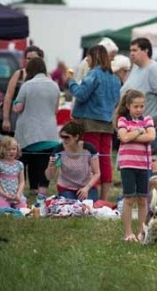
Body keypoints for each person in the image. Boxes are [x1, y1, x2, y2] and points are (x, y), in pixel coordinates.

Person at [66, 45, 121, 201]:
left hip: (90, 123)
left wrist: (71, 82)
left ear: (94, 57)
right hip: (107, 123)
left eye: (88, 56)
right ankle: (103, 199)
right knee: (104, 159)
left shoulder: (94, 74)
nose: (86, 59)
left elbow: (80, 95)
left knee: (91, 160)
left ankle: (91, 197)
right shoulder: (115, 78)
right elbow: (117, 101)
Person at [13, 57, 60, 196]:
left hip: (29, 132)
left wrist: (15, 103)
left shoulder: (27, 85)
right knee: (44, 163)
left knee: (22, 161)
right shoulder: (54, 85)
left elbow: (18, 107)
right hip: (49, 132)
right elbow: (56, 110)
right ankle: (41, 191)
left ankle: (19, 191)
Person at [114, 89, 156, 243]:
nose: (139, 110)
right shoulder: (122, 120)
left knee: (142, 200)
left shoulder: (148, 120)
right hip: (128, 165)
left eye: (141, 106)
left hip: (144, 165)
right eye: (135, 106)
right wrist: (139, 130)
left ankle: (141, 232)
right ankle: (128, 233)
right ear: (128, 106)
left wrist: (131, 135)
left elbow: (151, 136)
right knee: (129, 199)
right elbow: (123, 138)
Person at [120, 37, 157, 150]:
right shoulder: (136, 68)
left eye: (135, 50)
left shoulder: (154, 69)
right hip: (134, 127)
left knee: (153, 164)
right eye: (130, 51)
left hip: (152, 128)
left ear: (146, 51)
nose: (131, 54)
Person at [45, 121, 100, 201]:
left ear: (76, 137)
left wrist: (86, 188)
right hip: (66, 188)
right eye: (62, 137)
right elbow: (49, 177)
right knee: (70, 206)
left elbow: (97, 173)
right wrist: (51, 166)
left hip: (87, 187)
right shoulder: (59, 151)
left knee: (88, 208)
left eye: (67, 137)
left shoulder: (89, 149)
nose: (64, 140)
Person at [1, 46, 45, 136]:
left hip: (36, 119)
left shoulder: (46, 77)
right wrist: (6, 119)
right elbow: (8, 96)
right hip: (17, 116)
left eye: (34, 59)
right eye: (28, 58)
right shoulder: (19, 74)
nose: (31, 61)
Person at [0, 136, 27, 210]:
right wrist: (4, 194)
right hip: (2, 195)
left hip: (16, 195)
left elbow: (22, 182)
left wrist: (19, 194)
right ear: (2, 150)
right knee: (4, 211)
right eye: (8, 149)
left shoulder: (19, 164)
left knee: (23, 210)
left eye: (14, 149)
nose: (12, 151)